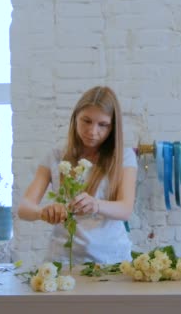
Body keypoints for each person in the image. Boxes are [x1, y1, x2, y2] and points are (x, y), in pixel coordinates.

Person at [18, 86, 137, 264]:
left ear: (113, 127)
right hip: (62, 260)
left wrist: (96, 205)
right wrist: (43, 212)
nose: (92, 131)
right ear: (75, 118)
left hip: (111, 260)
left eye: (103, 125)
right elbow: (24, 209)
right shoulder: (56, 155)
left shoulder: (123, 157)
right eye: (86, 121)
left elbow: (125, 209)